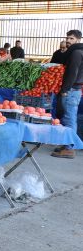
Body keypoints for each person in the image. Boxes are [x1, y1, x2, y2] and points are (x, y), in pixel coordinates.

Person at [52, 30, 83, 159]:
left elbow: (72, 73)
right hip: (73, 89)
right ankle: (66, 145)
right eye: (67, 38)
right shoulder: (76, 51)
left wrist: (64, 90)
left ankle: (70, 148)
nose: (68, 41)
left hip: (71, 90)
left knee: (69, 118)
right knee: (66, 118)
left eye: (71, 38)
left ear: (78, 40)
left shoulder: (76, 53)